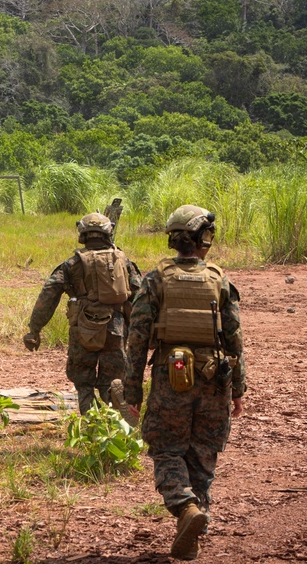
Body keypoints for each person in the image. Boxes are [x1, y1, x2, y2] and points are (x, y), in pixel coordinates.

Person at [123, 205, 246, 561]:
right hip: (214, 381)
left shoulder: (155, 279)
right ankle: (195, 526)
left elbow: (137, 339)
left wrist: (133, 390)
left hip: (170, 378)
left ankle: (184, 507)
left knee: (166, 449)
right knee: (203, 456)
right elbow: (235, 343)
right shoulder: (220, 280)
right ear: (202, 238)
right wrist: (238, 390)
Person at [23, 212, 142, 417]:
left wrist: (35, 329)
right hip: (116, 329)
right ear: (108, 233)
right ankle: (114, 407)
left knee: (84, 382)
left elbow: (48, 295)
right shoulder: (124, 262)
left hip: (83, 331)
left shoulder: (72, 264)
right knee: (111, 379)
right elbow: (140, 296)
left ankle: (91, 427)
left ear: (83, 235)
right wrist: (143, 332)